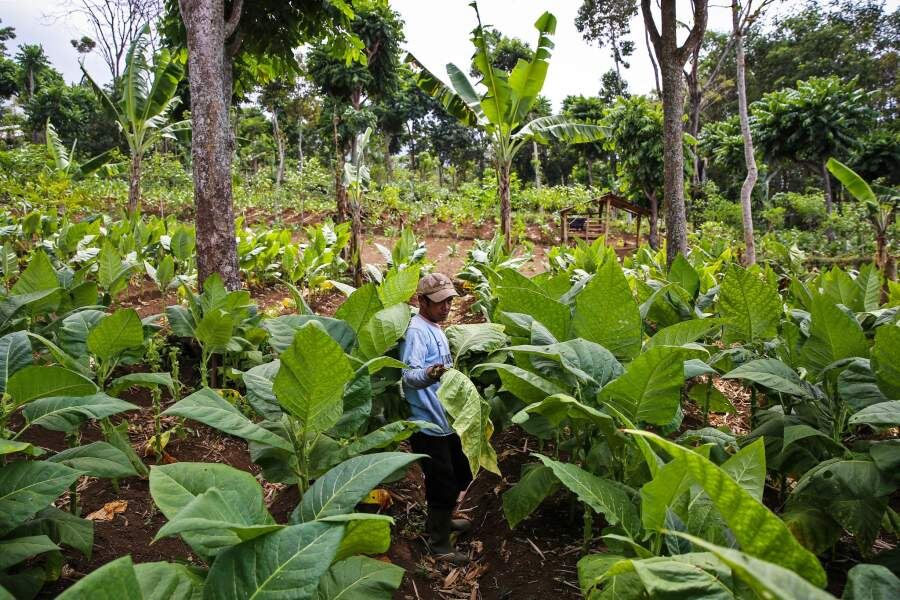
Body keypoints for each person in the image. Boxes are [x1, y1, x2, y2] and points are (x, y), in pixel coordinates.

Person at [400, 272, 472, 564]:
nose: (447, 307)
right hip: (428, 425)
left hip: (445, 421)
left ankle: (441, 521)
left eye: (450, 301)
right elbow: (408, 375)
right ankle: (439, 543)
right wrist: (430, 374)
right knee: (442, 482)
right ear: (422, 301)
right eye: (440, 302)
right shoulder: (416, 332)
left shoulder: (435, 327)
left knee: (459, 473)